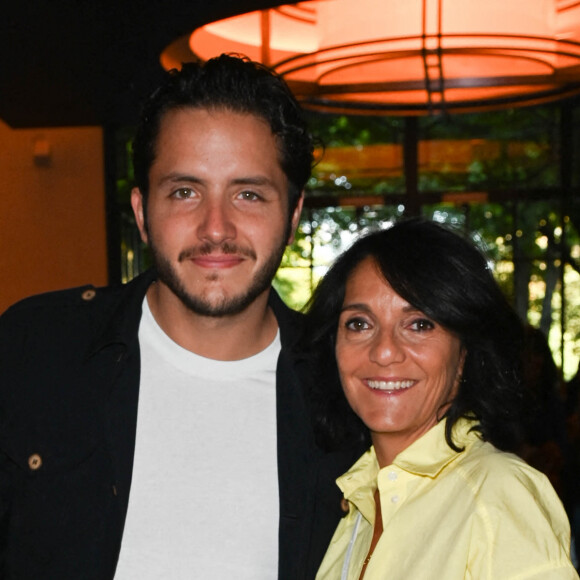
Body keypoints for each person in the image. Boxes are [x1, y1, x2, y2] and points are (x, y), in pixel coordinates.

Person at [0, 54, 361, 579]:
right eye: (185, 191)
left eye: (249, 194)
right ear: (143, 212)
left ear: (293, 215)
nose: (217, 228)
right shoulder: (35, 347)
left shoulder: (347, 386)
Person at [305, 218, 578, 579]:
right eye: (359, 323)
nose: (384, 351)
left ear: (465, 351)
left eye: (419, 324)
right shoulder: (357, 500)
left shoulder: (496, 495)